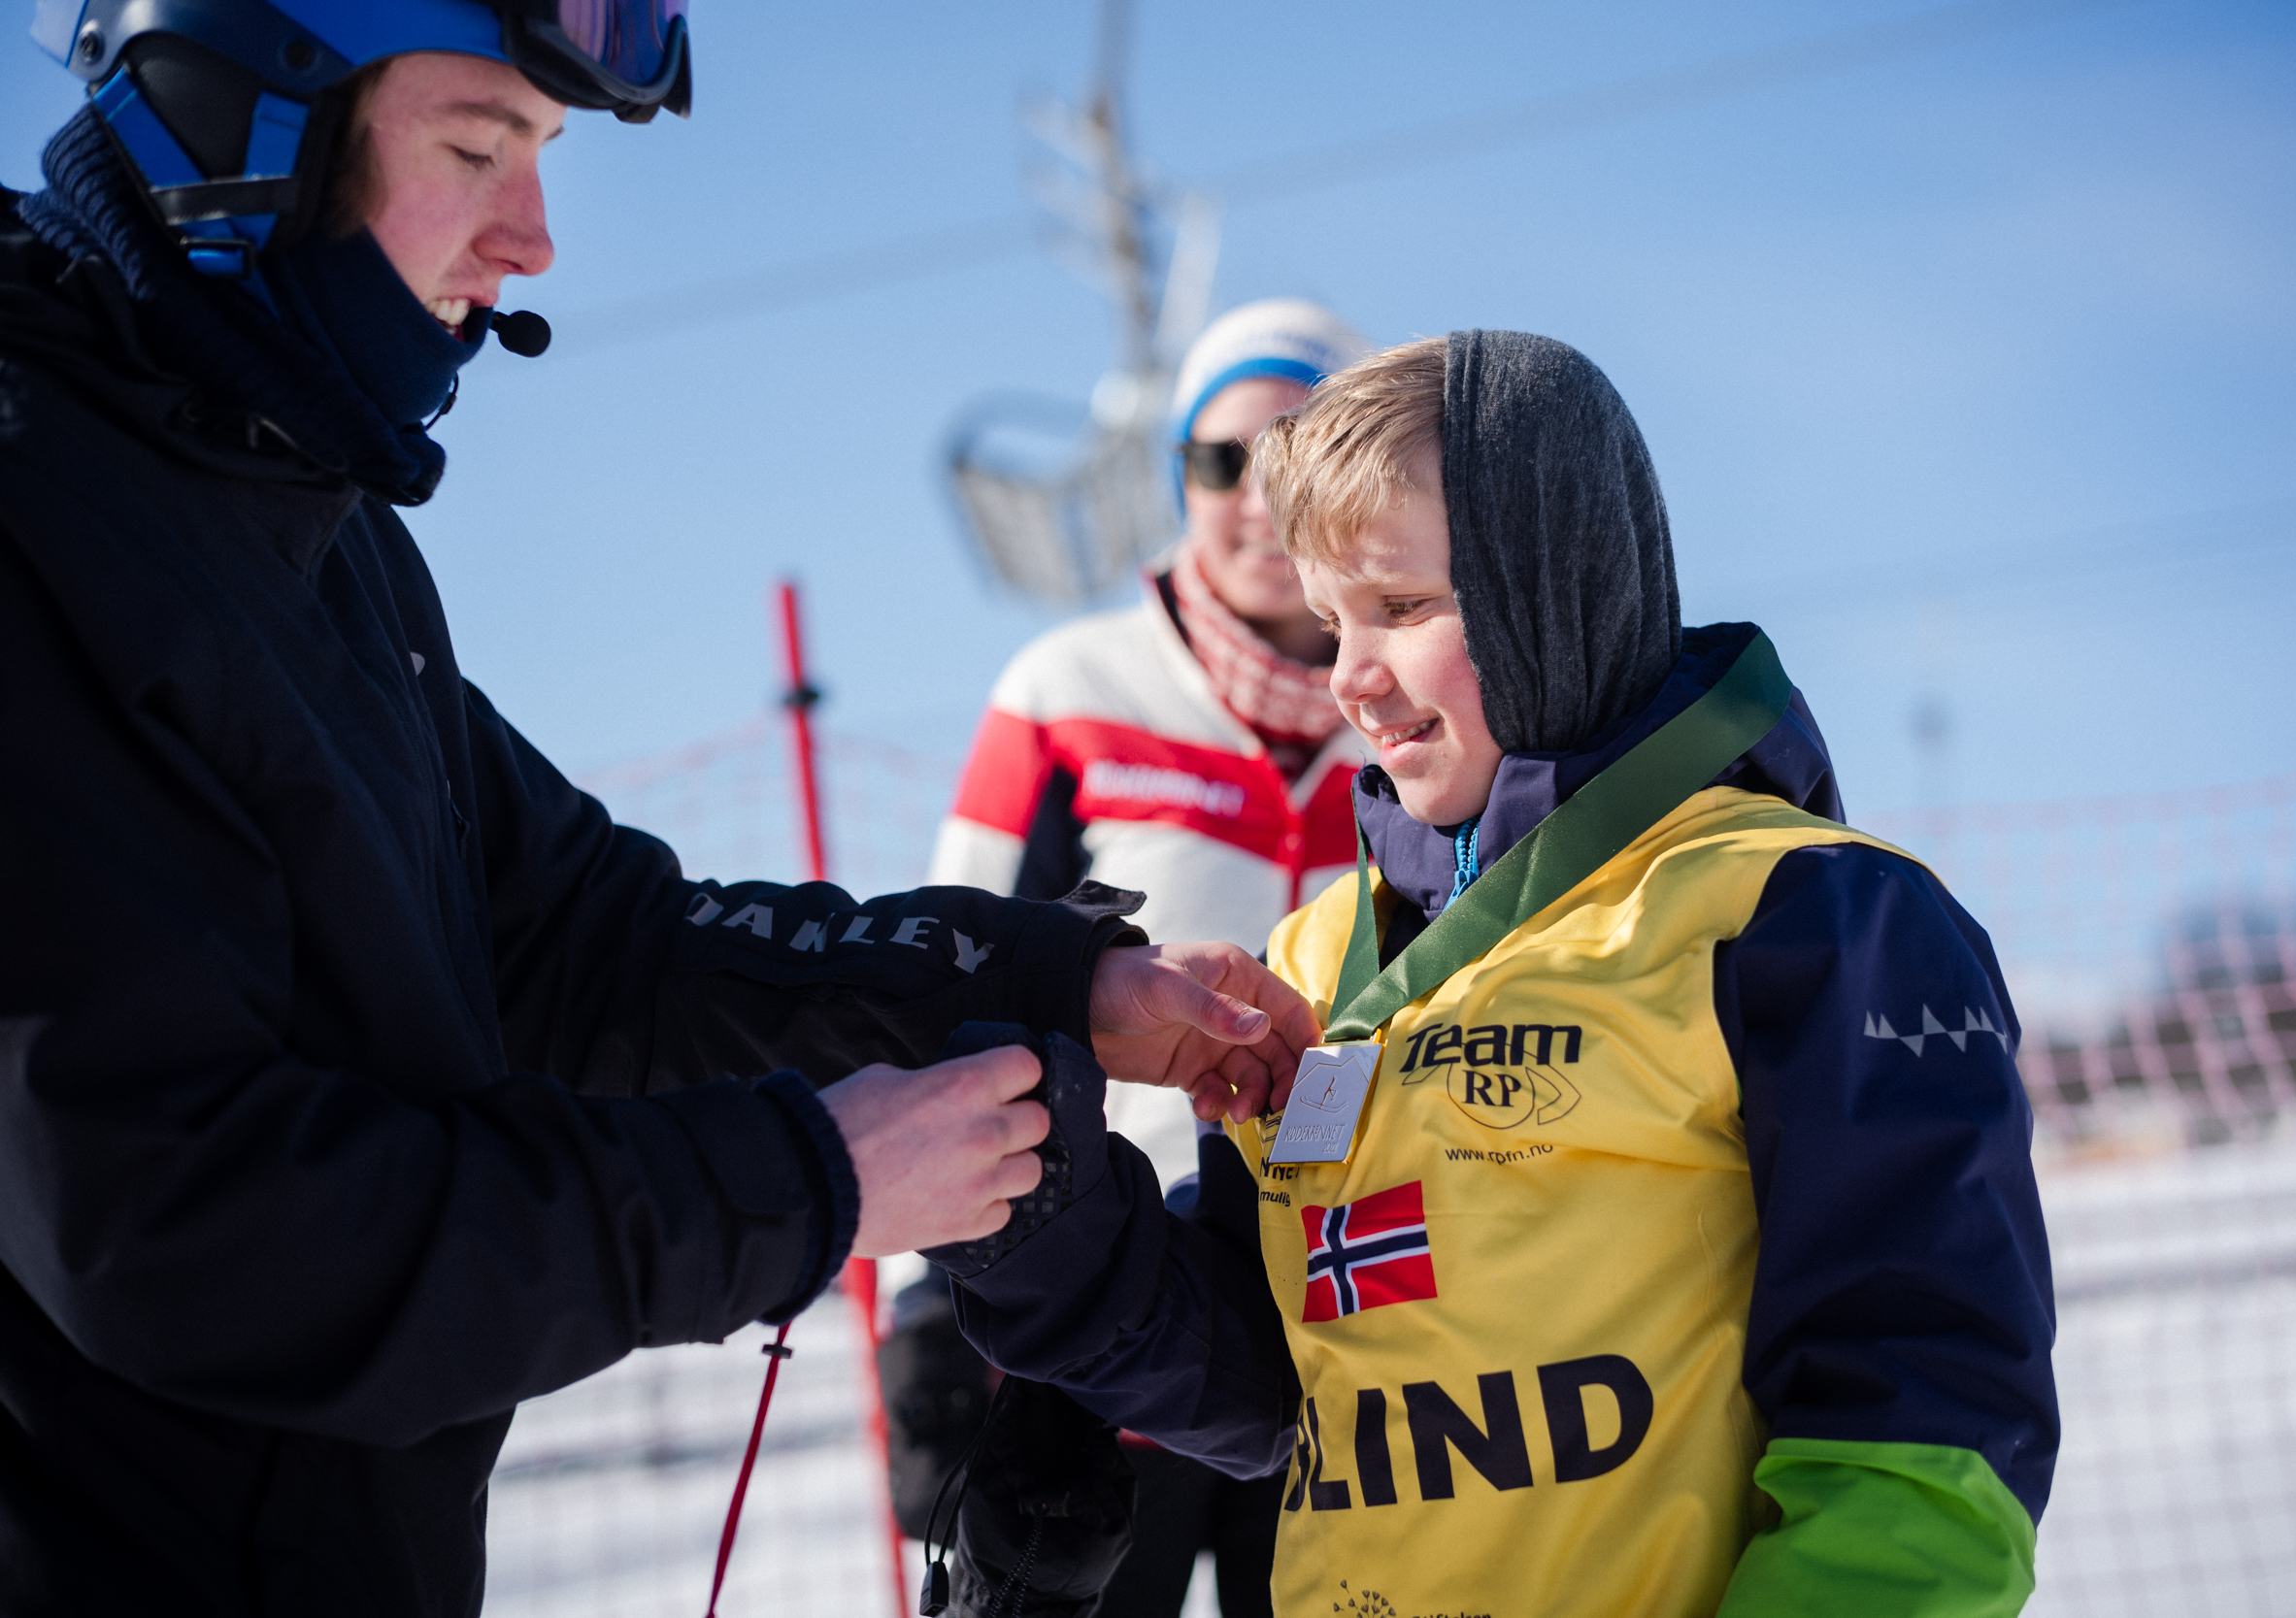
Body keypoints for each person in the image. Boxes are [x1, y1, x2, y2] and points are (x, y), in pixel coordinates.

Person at [0, 8, 1318, 1615]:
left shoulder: (304, 525)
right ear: (231, 131)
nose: (533, 242)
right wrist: (809, 1180)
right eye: (480, 148)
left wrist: (1048, 983)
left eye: (541, 163)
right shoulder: (43, 536)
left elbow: (592, 941)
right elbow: (191, 1231)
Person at [922, 333, 2061, 1616]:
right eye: (1331, 619)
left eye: (1402, 610)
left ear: (1550, 588)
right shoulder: (1317, 962)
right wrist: (1034, 1197)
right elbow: (1255, 1376)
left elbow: (1922, 1443)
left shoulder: (1809, 914)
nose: (1350, 678)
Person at [912, 300, 1375, 1616]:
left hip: (1365, 1302)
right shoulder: (1068, 690)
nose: (1254, 498)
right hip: (1117, 1307)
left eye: (1294, 458)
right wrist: (922, 1313)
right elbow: (944, 981)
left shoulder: (1413, 713)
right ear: (1179, 476)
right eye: (1221, 460)